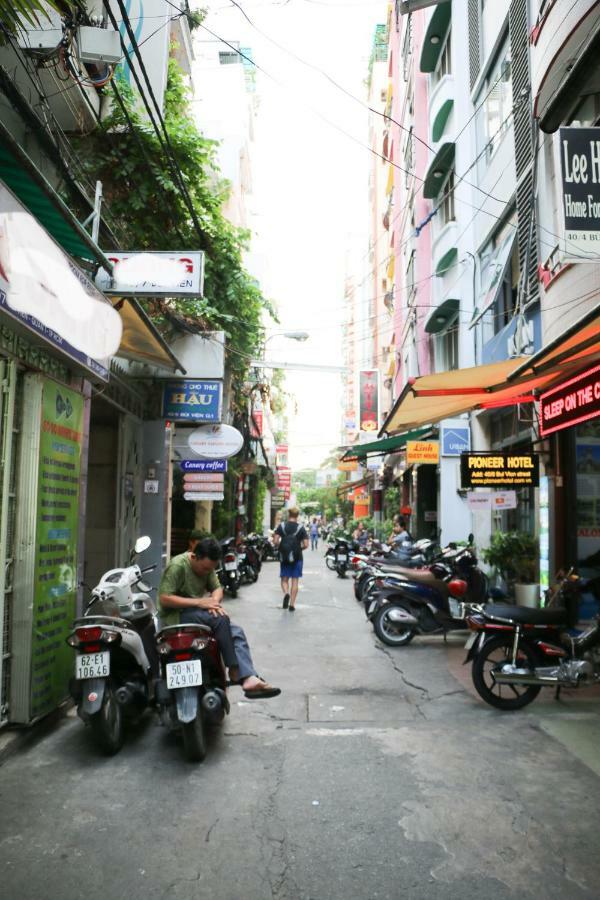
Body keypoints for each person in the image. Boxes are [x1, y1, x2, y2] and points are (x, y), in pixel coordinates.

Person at [158, 537, 280, 699]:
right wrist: (200, 602)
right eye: (205, 568)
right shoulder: (178, 566)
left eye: (211, 569)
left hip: (196, 612)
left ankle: (248, 676)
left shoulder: (207, 567)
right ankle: (235, 669)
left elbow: (217, 588)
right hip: (175, 614)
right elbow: (165, 598)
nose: (207, 572)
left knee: (236, 631)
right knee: (221, 620)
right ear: (194, 557)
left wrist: (213, 603)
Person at [274, 507, 308, 612]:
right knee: (295, 581)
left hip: (284, 557)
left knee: (284, 579)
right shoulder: (301, 528)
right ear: (297, 516)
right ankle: (292, 605)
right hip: (297, 558)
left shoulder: (282, 526)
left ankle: (286, 593)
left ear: (289, 515)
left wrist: (283, 548)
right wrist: (298, 549)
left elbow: (275, 541)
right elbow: (306, 545)